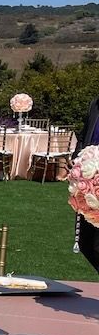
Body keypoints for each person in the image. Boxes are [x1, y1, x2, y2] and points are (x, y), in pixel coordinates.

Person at [78, 96, 99, 272]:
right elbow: (83, 136)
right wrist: (77, 158)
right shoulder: (95, 104)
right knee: (85, 244)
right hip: (89, 185)